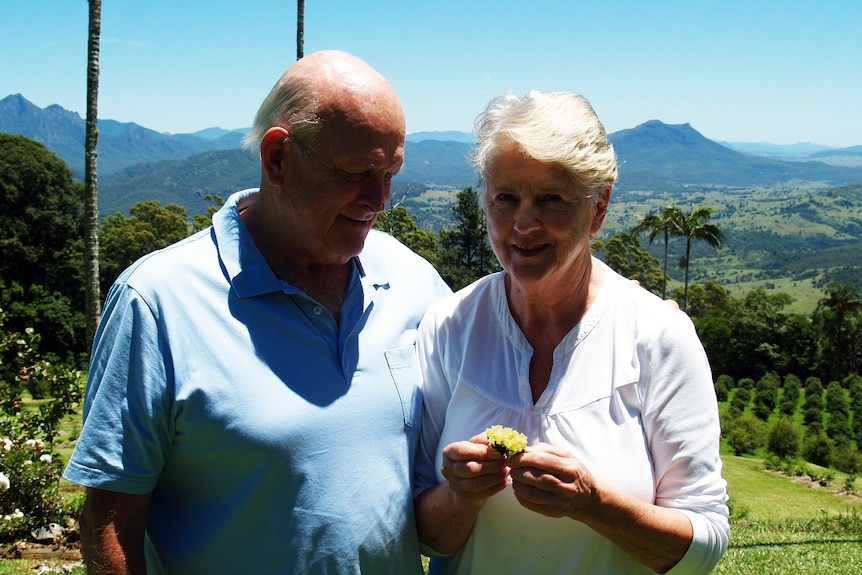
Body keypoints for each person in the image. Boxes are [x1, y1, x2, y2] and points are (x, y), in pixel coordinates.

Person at [63, 50, 451, 574]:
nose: (378, 198)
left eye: (390, 173)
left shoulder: (413, 281)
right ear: (277, 158)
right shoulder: (158, 301)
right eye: (356, 172)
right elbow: (112, 518)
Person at [413, 90, 729, 574]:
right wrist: (460, 496)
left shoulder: (658, 337)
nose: (522, 223)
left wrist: (592, 503)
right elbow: (425, 537)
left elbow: (703, 547)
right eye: (506, 197)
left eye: (551, 200)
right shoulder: (450, 325)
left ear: (598, 208)